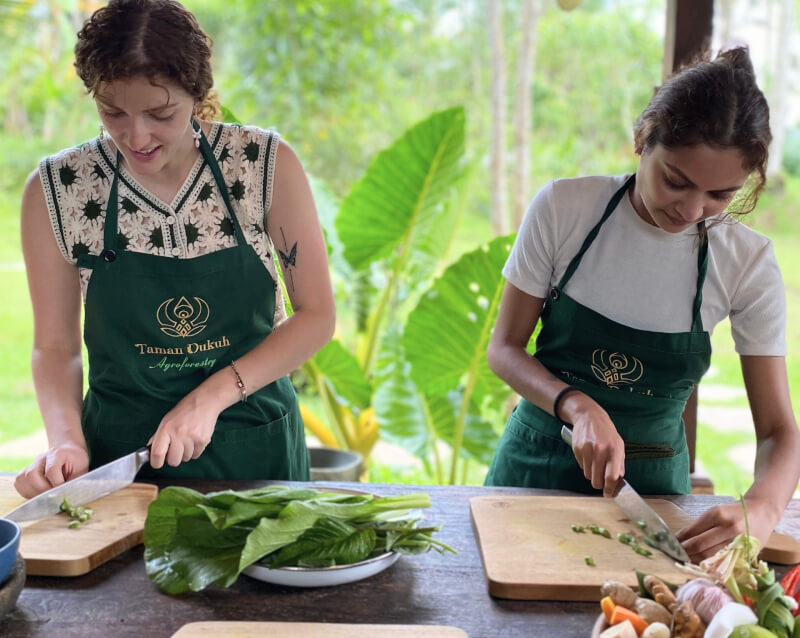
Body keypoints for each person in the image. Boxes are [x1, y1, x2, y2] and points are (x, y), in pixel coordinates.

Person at [484, 47, 800, 561]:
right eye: (676, 181)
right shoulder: (565, 210)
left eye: (720, 195)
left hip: (655, 492)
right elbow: (504, 349)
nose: (692, 210)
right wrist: (576, 405)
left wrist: (761, 509)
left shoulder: (746, 263)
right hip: (533, 468)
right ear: (644, 137)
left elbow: (780, 432)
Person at [14, 0, 334, 496]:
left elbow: (317, 316)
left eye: (160, 113)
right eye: (112, 111)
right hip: (122, 457)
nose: (135, 136)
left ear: (197, 93)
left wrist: (209, 399)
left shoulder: (260, 164)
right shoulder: (59, 189)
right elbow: (54, 347)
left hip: (255, 444)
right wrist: (65, 442)